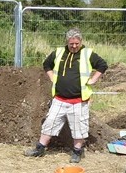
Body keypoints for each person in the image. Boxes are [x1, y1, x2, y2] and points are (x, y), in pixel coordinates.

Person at [25, 28, 108, 164]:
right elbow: (46, 64)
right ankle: (39, 149)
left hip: (78, 101)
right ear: (67, 42)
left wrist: (93, 80)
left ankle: (76, 152)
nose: (74, 46)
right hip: (59, 99)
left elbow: (102, 65)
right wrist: (52, 77)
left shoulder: (87, 54)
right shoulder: (58, 53)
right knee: (49, 123)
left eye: (77, 43)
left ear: (80, 41)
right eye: (71, 44)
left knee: (79, 128)